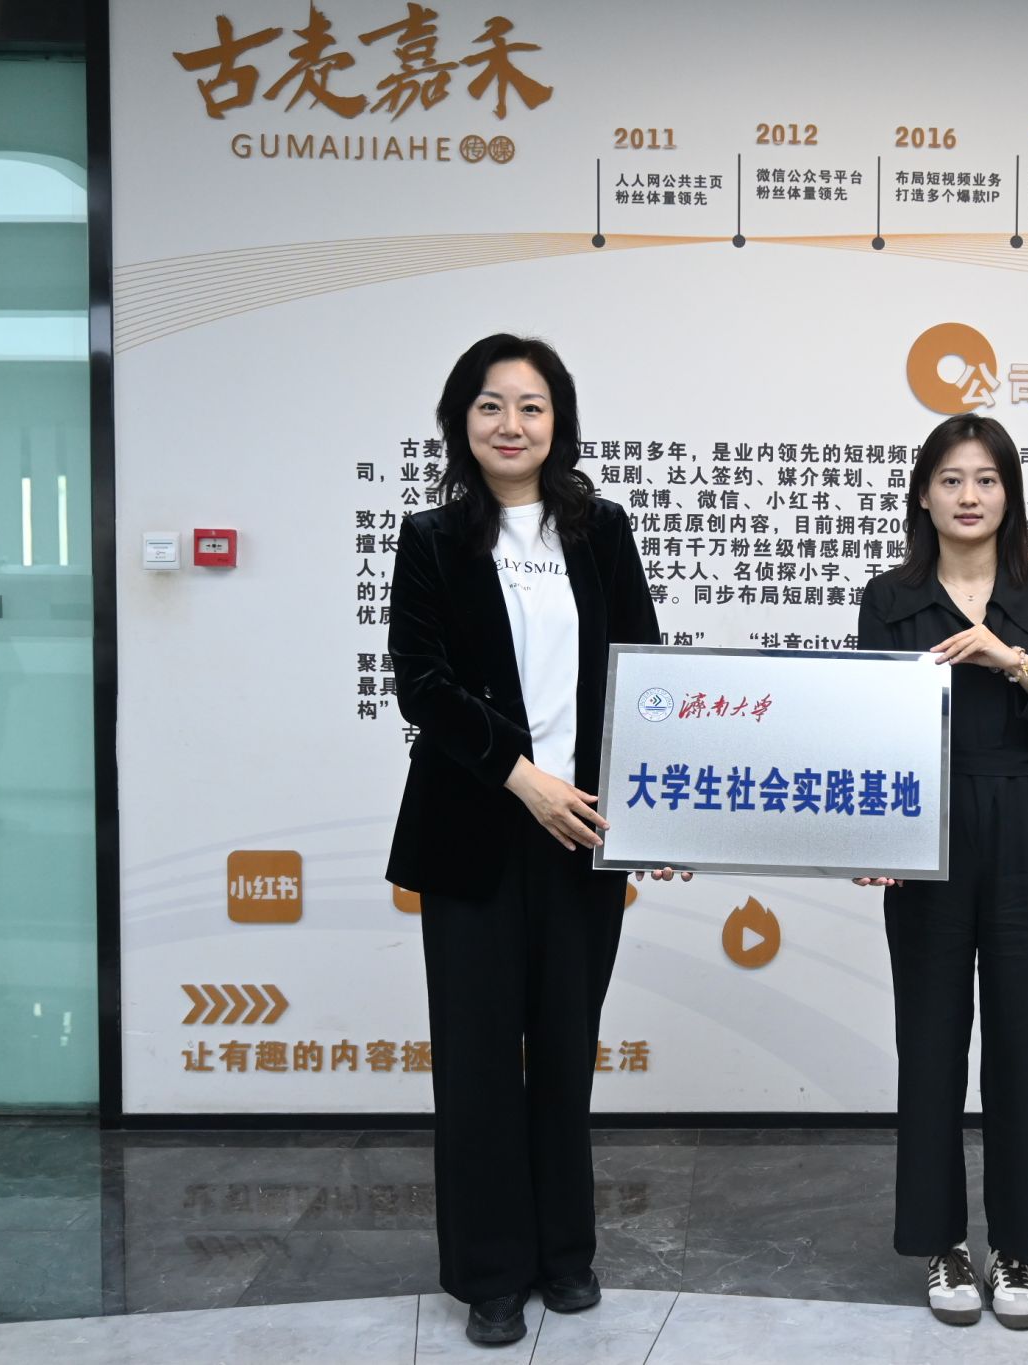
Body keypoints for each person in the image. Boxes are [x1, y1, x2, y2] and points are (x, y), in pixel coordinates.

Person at [386, 333, 685, 1348]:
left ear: (558, 423)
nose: (509, 424)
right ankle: (491, 1274)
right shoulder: (430, 539)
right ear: (460, 423)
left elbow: (642, 669)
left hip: (584, 831)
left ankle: (565, 1253)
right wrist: (523, 779)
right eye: (489, 405)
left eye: (530, 406)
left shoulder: (602, 531)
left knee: (563, 1049)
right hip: (475, 828)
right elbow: (421, 684)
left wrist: (654, 807)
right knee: (477, 1059)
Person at [854, 412, 1028, 1330]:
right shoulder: (889, 597)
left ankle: (1017, 1249)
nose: (969, 495)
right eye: (952, 479)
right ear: (924, 495)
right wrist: (872, 839)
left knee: (1021, 1045)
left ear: (1010, 494)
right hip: (924, 831)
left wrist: (1014, 662)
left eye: (986, 479)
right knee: (929, 1044)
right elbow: (870, 724)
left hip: (1023, 825)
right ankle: (941, 1243)